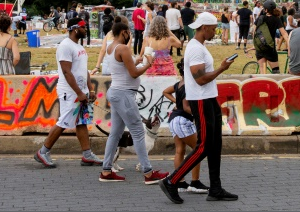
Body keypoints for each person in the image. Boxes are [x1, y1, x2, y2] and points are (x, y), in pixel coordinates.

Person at [159, 12, 237, 204]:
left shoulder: (200, 47)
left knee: (215, 144)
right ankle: (172, 181)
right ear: (204, 27)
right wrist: (222, 68)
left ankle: (215, 188)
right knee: (203, 146)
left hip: (209, 99)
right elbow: (200, 79)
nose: (215, 31)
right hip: (201, 100)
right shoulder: (195, 49)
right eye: (213, 28)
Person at [99, 21, 168, 184]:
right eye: (128, 32)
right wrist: (147, 65)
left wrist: (137, 61)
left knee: (115, 134)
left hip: (117, 93)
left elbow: (124, 67)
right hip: (124, 95)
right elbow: (134, 73)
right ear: (123, 32)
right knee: (137, 132)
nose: (130, 34)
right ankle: (148, 172)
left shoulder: (111, 47)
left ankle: (106, 170)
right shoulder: (122, 48)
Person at [35, 18, 102, 168]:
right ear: (75, 28)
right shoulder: (65, 46)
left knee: (81, 122)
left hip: (80, 91)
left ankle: (87, 155)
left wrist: (90, 89)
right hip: (69, 92)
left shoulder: (79, 47)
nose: (86, 30)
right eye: (84, 27)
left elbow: (83, 71)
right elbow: (66, 72)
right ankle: (43, 151)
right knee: (64, 121)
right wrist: (79, 92)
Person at [162, 60, 210, 195]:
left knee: (180, 150)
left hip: (173, 119)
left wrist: (175, 102)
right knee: (198, 150)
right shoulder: (189, 85)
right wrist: (200, 114)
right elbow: (186, 107)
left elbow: (165, 91)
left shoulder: (179, 84)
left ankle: (180, 183)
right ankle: (195, 182)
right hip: (183, 120)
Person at [254, 0, 288, 74]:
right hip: (270, 48)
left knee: (262, 70)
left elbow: (254, 31)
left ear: (266, 10)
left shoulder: (260, 18)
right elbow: (284, 33)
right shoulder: (276, 19)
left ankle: (263, 84)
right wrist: (289, 43)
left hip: (260, 48)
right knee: (276, 72)